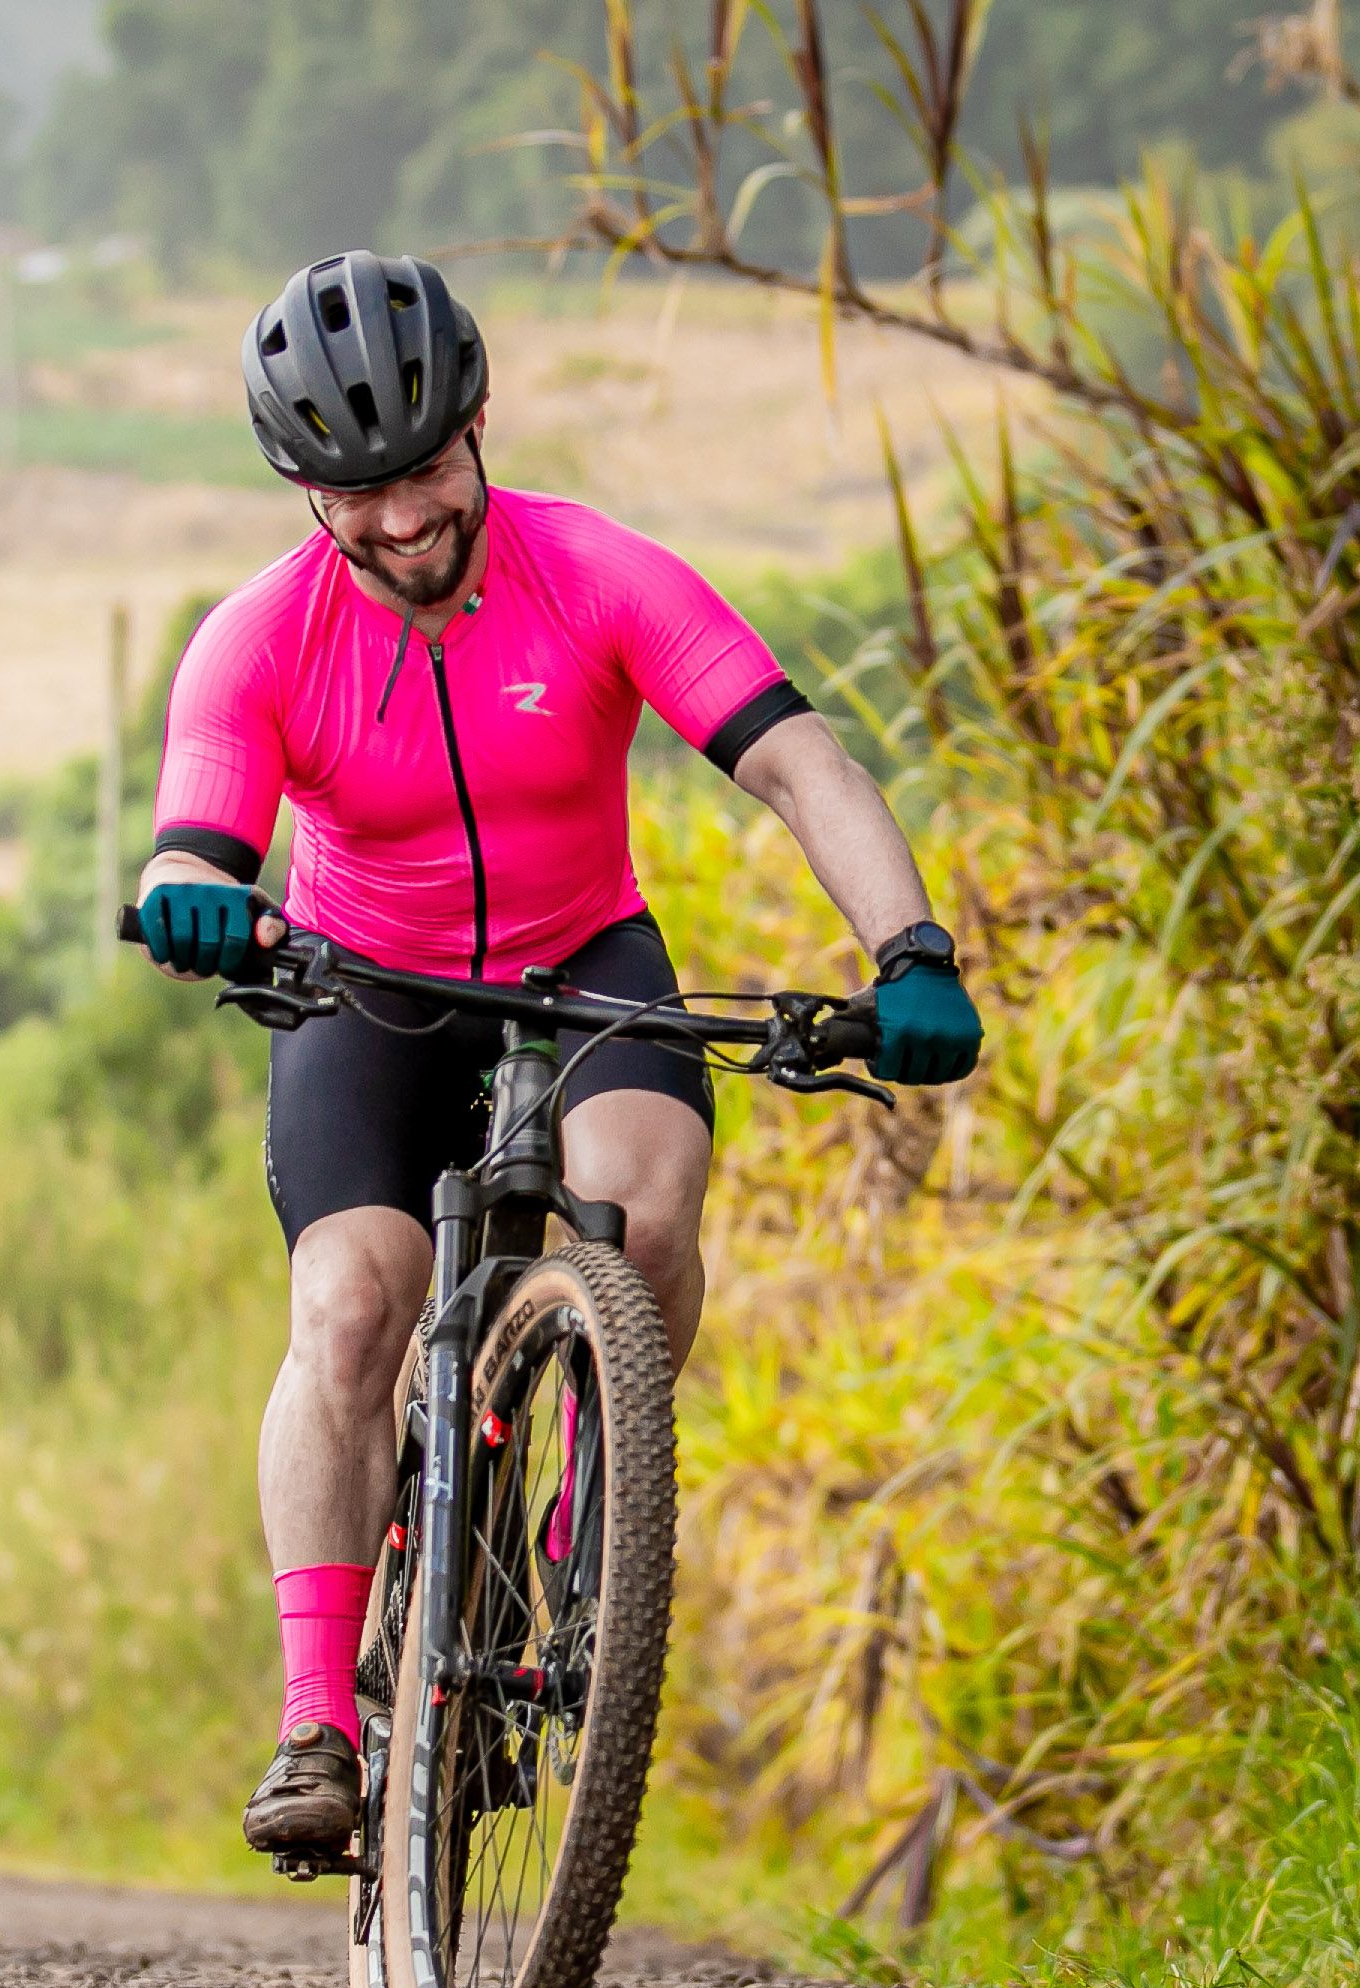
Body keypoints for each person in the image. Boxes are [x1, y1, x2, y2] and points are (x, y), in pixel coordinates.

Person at [131, 255, 983, 1858]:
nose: (405, 519)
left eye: (427, 469)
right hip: (362, 987)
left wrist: (910, 949)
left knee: (641, 1208)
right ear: (305, 493)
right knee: (352, 1303)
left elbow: (798, 764)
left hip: (581, 961)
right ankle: (317, 1717)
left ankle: (595, 1534)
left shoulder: (594, 573)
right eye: (358, 493)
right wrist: (193, 897)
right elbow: (197, 834)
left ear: (477, 429)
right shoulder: (254, 640)